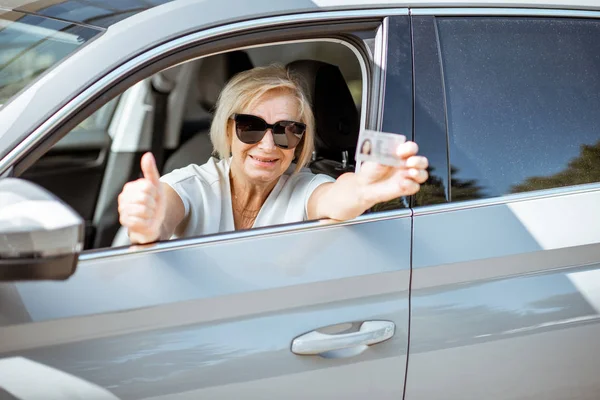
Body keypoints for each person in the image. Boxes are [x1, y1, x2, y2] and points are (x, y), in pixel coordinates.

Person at [117, 65, 429, 245]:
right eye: (250, 127)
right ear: (228, 131)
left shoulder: (303, 187)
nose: (268, 145)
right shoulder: (192, 185)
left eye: (286, 130)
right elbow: (163, 213)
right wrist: (148, 225)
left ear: (300, 139)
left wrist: (362, 191)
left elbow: (335, 198)